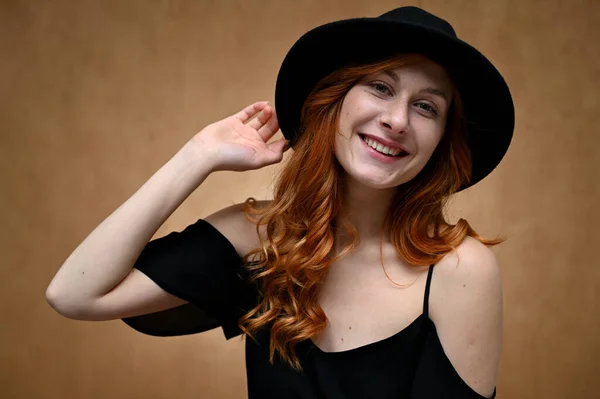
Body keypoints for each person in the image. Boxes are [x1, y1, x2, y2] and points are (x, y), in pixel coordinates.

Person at [46, 6, 514, 399]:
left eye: (426, 106)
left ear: (441, 143)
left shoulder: (457, 270)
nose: (396, 120)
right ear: (335, 103)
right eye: (380, 87)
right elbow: (75, 294)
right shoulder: (257, 239)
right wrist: (198, 155)